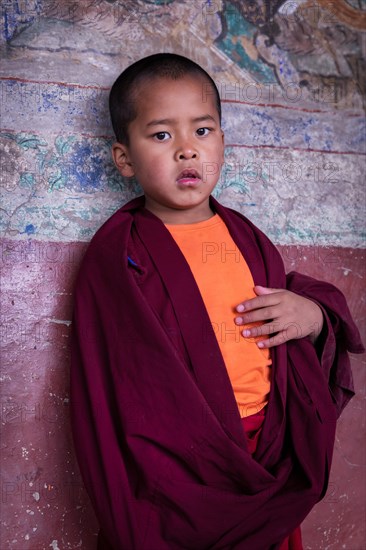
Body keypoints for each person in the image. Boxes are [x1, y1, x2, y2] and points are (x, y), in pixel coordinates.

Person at [70, 53, 364, 550]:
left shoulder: (249, 241)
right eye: (162, 135)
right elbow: (111, 383)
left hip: (263, 461)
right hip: (175, 472)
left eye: (202, 131)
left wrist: (313, 315)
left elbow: (284, 318)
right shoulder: (118, 256)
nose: (187, 151)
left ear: (223, 143)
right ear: (124, 158)